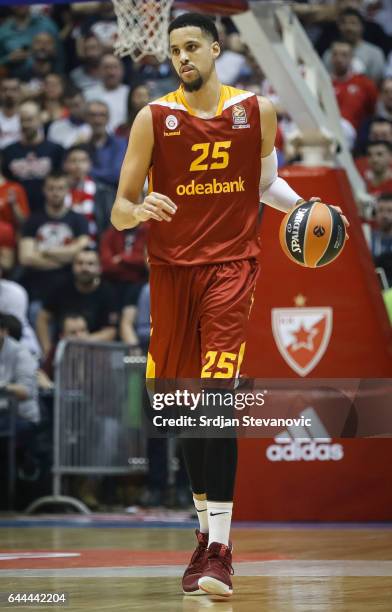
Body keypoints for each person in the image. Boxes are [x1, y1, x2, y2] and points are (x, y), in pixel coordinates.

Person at [111, 12, 349, 598]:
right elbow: (118, 205)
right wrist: (138, 211)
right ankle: (202, 536)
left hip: (230, 271)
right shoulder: (154, 119)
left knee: (216, 400)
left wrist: (304, 209)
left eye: (192, 46)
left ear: (216, 49)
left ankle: (221, 548)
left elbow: (265, 184)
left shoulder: (256, 113)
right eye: (174, 50)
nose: (182, 57)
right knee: (187, 409)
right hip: (170, 276)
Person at [19, 171, 89, 320]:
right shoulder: (33, 220)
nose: (55, 193)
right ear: (44, 190)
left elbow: (81, 251)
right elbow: (26, 258)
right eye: (51, 188)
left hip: (70, 291)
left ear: (67, 190)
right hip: (38, 290)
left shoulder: (78, 219)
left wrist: (44, 251)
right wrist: (66, 258)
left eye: (60, 188)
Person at [36, 247, 118, 358]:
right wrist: (47, 350)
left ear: (99, 268)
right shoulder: (61, 287)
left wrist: (81, 342)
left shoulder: (108, 292)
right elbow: (42, 318)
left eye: (90, 264)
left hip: (97, 352)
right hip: (62, 351)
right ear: (73, 267)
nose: (84, 268)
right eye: (80, 263)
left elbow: (110, 331)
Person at [2, 101, 64, 214]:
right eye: (22, 120)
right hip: (17, 212)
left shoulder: (56, 150)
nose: (26, 124)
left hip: (47, 211)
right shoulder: (8, 152)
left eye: (30, 119)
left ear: (39, 119)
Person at [322, 8, 385, 83]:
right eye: (344, 23)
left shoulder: (375, 53)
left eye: (353, 23)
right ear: (338, 26)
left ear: (362, 26)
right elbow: (325, 80)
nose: (348, 27)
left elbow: (376, 82)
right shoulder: (330, 53)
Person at [84, 54, 130, 132]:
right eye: (106, 68)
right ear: (99, 70)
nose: (111, 72)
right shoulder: (88, 94)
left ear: (122, 71)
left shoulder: (129, 93)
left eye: (115, 67)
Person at [0, 77, 22, 149]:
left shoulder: (28, 117)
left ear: (20, 92)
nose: (8, 93)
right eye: (4, 90)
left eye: (13, 90)